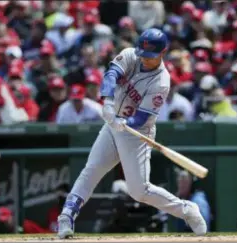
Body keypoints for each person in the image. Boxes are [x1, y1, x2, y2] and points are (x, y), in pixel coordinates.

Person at [57, 28, 207, 239]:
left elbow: (141, 118)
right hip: (112, 123)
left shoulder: (161, 81)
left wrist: (123, 122)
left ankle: (186, 210)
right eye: (143, 55)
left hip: (136, 133)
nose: (144, 60)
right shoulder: (130, 54)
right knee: (91, 170)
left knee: (139, 191)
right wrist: (108, 102)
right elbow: (111, 74)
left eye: (150, 57)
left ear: (162, 53)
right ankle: (66, 216)